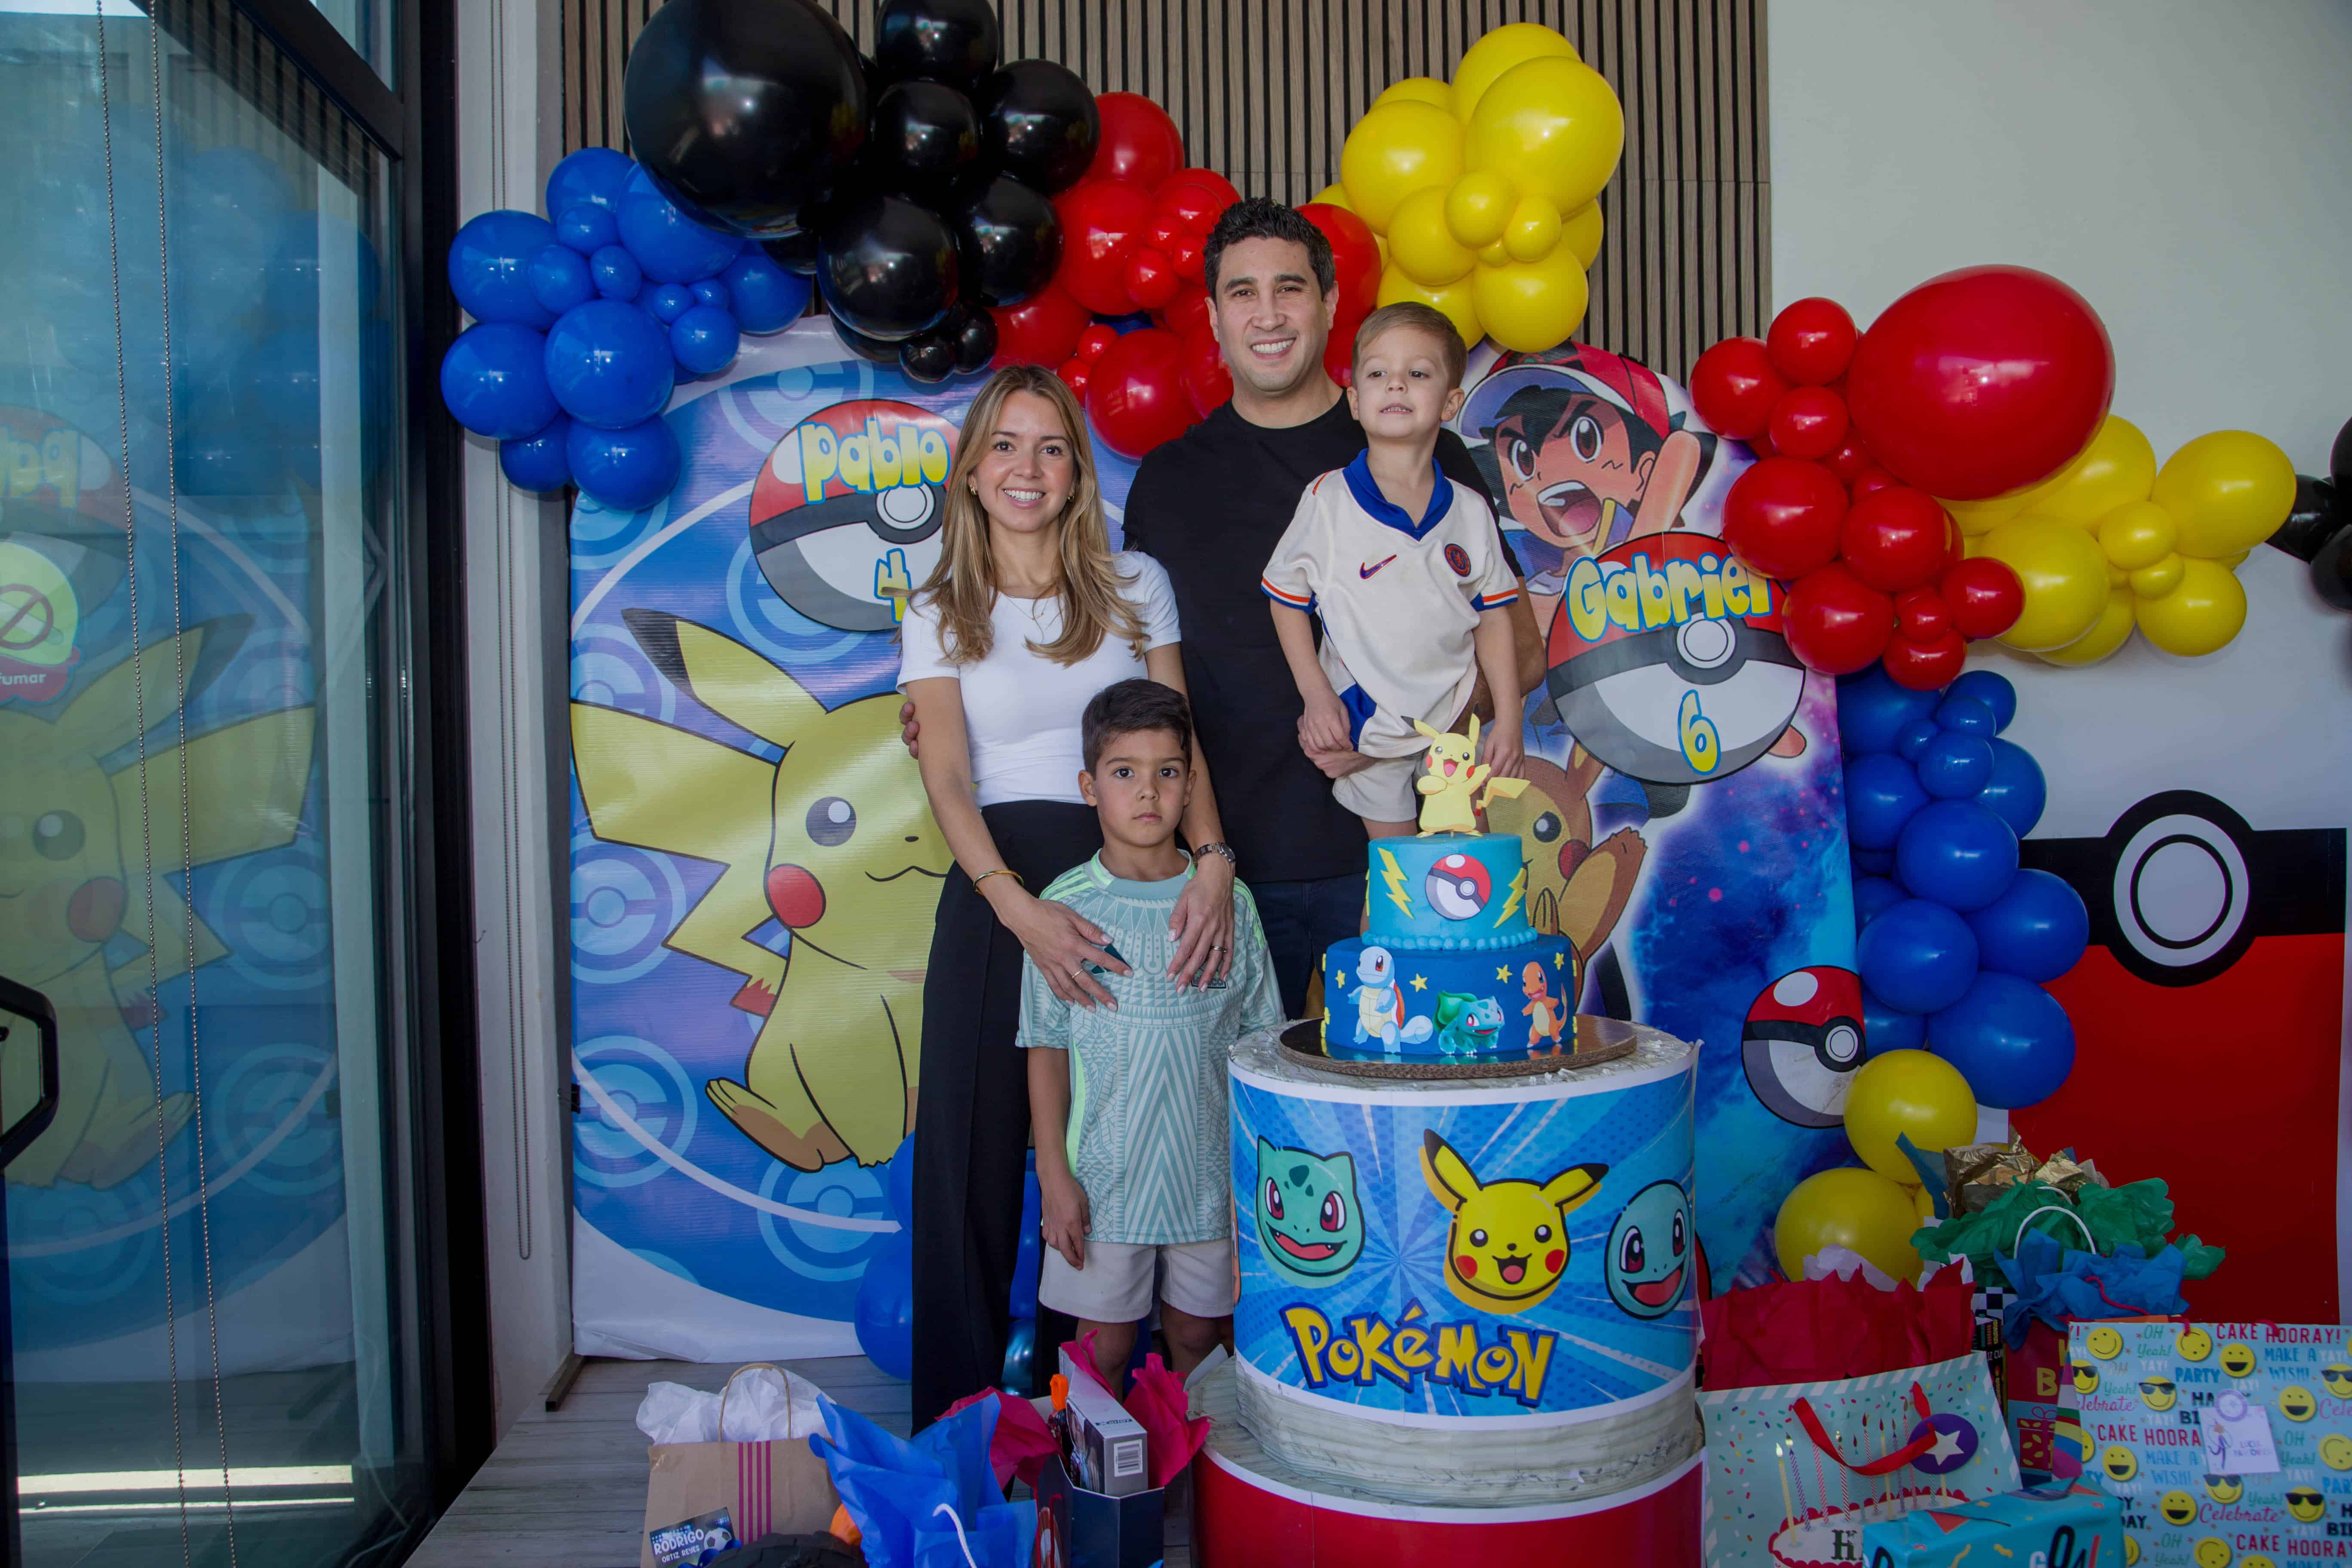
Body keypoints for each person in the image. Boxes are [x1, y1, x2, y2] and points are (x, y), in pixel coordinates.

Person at [902, 199, 1544, 1020]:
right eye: (1242, 292)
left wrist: (1398, 732)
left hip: (1399, 851)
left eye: (1289, 288)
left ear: (1329, 302)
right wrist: (945, 702)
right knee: (1233, 1131)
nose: (1267, 314)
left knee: (1404, 1097)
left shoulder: (1418, 451)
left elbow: (1518, 653)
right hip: (1215, 879)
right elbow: (1119, 678)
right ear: (1211, 315)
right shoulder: (1170, 483)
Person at [898, 365, 1242, 1430]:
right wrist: (1014, 905)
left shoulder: (1136, 585)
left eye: (1049, 448)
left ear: (1077, 471)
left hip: (1130, 889)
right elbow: (946, 776)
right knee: (970, 1158)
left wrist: (1215, 859)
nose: (1026, 469)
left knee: (1099, 1146)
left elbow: (1177, 743)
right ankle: (957, 1425)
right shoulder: (934, 603)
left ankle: (1073, 1418)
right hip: (999, 886)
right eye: (1004, 445)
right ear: (969, 468)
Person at [1022, 680, 1282, 1387]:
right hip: (1105, 1178)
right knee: (1102, 1349)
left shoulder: (1230, 904)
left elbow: (1263, 1043)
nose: (1147, 792)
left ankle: (1202, 1499)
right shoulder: (1061, 910)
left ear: (1190, 784)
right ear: (1089, 785)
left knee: (1201, 1335)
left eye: (1167, 772)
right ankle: (1095, 1496)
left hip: (1209, 1175)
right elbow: (1045, 1047)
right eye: (1124, 772)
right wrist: (1054, 1175)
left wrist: (1254, 1175)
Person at [1262, 302, 1525, 838]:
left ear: (1451, 401)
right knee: (1398, 881)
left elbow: (1494, 620)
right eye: (1378, 373)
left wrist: (1511, 720)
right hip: (1368, 726)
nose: (1397, 386)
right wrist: (1317, 696)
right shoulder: (1328, 501)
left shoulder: (1470, 512)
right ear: (1356, 401)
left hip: (1453, 721)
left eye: (1418, 373)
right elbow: (1285, 599)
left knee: (1460, 873)